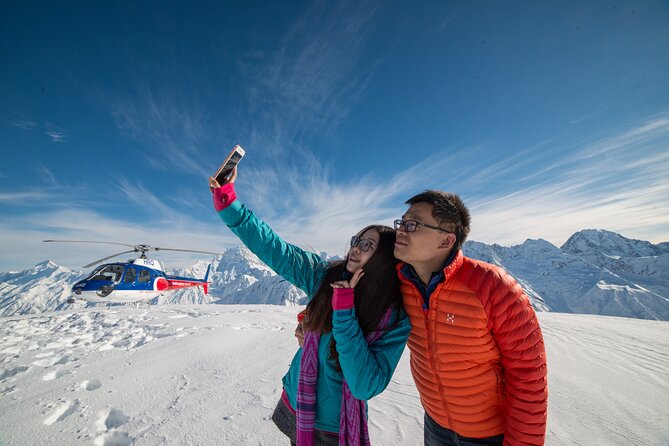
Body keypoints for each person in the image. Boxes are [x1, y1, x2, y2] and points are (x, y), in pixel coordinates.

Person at [209, 168, 411, 446]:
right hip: (296, 403)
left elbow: (364, 385)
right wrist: (230, 204)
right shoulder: (324, 277)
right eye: (357, 241)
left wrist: (343, 312)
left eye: (367, 245)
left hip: (333, 428)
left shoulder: (394, 318)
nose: (355, 248)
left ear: (384, 259)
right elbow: (276, 249)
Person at [393, 190, 547, 446]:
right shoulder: (399, 282)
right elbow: (354, 295)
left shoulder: (493, 286)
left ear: (446, 241)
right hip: (435, 425)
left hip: (488, 436)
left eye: (413, 224)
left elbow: (529, 374)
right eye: (401, 222)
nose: (400, 230)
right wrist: (313, 318)